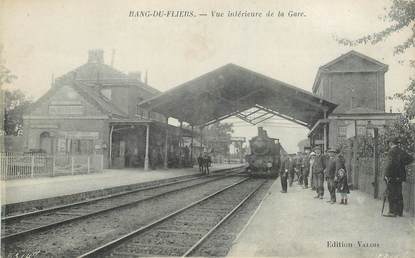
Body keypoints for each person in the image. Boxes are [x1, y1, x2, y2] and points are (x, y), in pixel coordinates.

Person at [383, 137, 414, 217]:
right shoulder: (401, 151)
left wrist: (386, 175)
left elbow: (389, 165)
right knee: (399, 193)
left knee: (391, 193)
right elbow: (411, 159)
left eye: (389, 143)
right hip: (400, 176)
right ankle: (399, 212)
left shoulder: (391, 152)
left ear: (391, 143)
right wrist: (402, 164)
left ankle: (392, 212)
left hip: (392, 176)